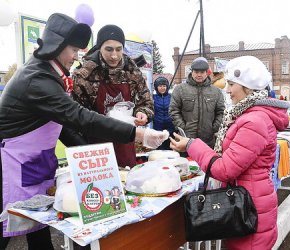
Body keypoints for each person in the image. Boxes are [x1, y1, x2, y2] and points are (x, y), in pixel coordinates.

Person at [0, 13, 166, 250]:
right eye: (73, 50)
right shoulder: (37, 79)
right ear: (57, 46)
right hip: (13, 165)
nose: (76, 56)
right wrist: (137, 134)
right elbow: (79, 117)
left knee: (37, 225)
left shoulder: (48, 73)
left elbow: (61, 126)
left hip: (34, 162)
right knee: (8, 225)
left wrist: (89, 153)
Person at [170, 56, 290, 249]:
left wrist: (192, 144)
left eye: (231, 84)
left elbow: (225, 169)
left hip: (249, 206)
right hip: (247, 202)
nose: (227, 90)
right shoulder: (249, 115)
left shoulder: (254, 121)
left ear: (247, 87)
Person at [72, 24, 154, 168]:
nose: (114, 55)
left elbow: (146, 102)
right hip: (96, 150)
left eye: (118, 49)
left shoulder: (132, 71)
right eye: (108, 49)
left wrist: (142, 112)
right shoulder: (85, 75)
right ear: (99, 48)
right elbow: (76, 117)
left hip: (125, 144)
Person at [169, 56, 225, 149]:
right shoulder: (180, 89)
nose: (199, 75)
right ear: (192, 72)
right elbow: (173, 111)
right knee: (186, 163)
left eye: (202, 72)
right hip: (185, 141)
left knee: (206, 164)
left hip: (207, 142)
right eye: (196, 72)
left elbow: (221, 112)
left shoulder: (216, 92)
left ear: (207, 73)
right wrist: (183, 128)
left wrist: (213, 128)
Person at [153, 77, 175, 150]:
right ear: (156, 87)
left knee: (170, 146)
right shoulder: (153, 97)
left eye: (164, 86)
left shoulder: (172, 97)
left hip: (170, 125)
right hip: (158, 126)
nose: (162, 88)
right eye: (160, 86)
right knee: (159, 146)